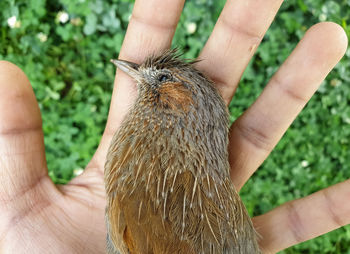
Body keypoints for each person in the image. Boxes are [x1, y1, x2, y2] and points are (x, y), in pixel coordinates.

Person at [0, 0, 348, 253]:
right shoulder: (155, 165)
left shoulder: (151, 173)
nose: (143, 78)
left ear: (181, 100)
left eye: (163, 77)